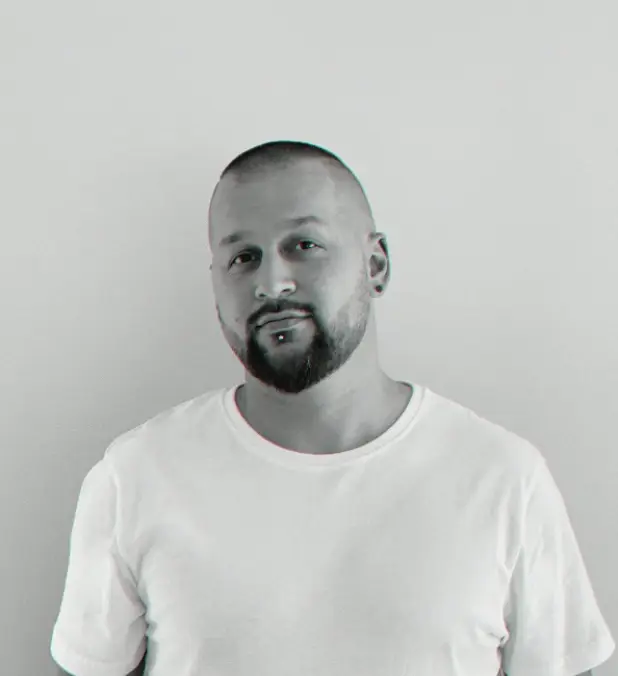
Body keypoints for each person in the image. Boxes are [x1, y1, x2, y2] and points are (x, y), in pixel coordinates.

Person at [50, 140, 615, 676]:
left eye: (304, 246)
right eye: (243, 257)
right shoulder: (135, 476)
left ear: (376, 265)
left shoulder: (503, 478)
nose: (272, 283)